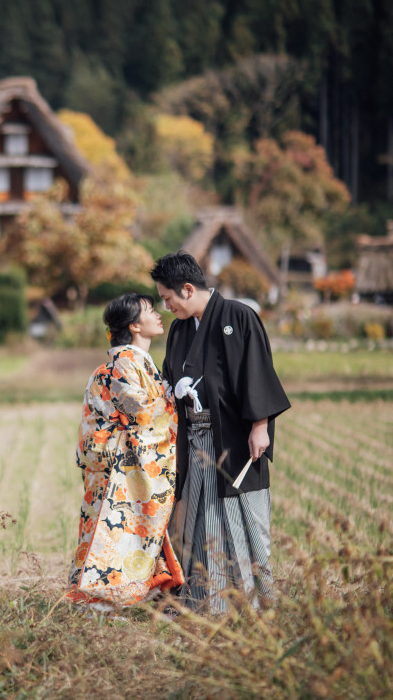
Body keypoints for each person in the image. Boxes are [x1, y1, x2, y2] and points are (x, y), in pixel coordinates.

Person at [150, 251, 290, 614]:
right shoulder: (180, 330)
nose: (167, 308)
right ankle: (208, 601)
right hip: (196, 443)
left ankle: (255, 601)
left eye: (167, 299)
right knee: (200, 520)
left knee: (246, 518)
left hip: (235, 439)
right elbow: (170, 381)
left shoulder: (239, 316)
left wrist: (260, 426)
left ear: (187, 288)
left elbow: (256, 372)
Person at [64, 293, 184, 611]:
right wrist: (175, 400)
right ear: (134, 326)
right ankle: (99, 600)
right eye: (149, 311)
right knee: (116, 529)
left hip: (117, 460)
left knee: (122, 529)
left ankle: (121, 596)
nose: (158, 315)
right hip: (117, 464)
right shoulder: (124, 361)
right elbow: (143, 414)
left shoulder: (131, 360)